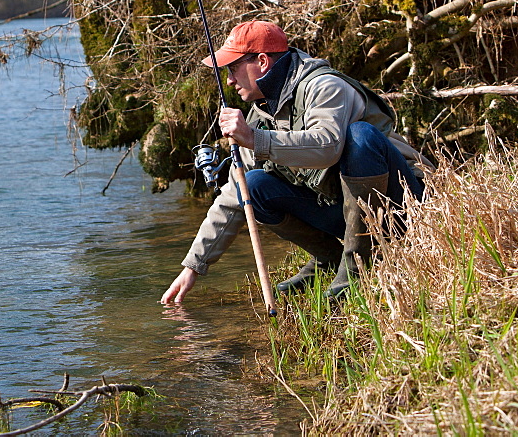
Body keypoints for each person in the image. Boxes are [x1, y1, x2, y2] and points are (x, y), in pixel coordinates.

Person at [160, 20, 430, 304]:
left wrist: (255, 139)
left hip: (403, 206)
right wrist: (193, 267)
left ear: (262, 61)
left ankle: (355, 268)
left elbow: (327, 146)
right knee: (250, 185)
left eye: (232, 68)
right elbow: (232, 195)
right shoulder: (261, 114)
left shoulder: (324, 86)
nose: (229, 80)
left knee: (359, 135)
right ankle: (329, 258)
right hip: (348, 212)